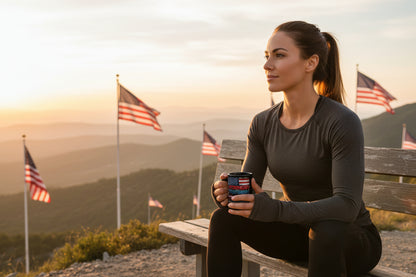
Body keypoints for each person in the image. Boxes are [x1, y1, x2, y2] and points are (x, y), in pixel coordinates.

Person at [208, 21, 382, 277]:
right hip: (299, 232)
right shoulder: (262, 123)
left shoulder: (341, 121)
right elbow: (249, 188)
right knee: (223, 219)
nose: (267, 65)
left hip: (350, 238)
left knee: (325, 230)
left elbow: (346, 205)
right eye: (267, 56)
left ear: (310, 63)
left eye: (279, 55)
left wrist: (276, 209)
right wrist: (228, 195)